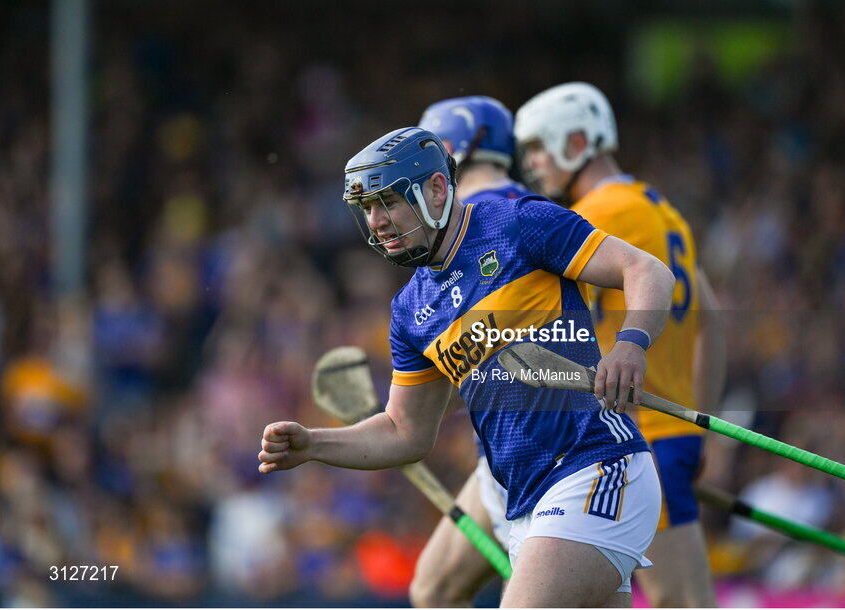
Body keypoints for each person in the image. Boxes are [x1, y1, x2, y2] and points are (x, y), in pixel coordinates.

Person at [259, 125, 678, 607]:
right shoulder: (410, 309)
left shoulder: (517, 224)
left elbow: (646, 270)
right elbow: (404, 432)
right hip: (526, 503)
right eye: (368, 209)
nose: (376, 221)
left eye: (389, 202)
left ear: (437, 189)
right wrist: (315, 444)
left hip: (595, 470)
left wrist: (631, 344)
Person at [514, 82, 726, 607]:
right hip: (669, 435)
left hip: (635, 439)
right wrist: (702, 428)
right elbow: (713, 321)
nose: (533, 162)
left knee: (684, 603)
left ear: (577, 140)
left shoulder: (596, 215)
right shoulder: (662, 210)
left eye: (540, 146)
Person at [409, 96, 532, 608]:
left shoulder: (489, 219)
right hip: (499, 458)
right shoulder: (538, 205)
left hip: (546, 450)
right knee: (433, 588)